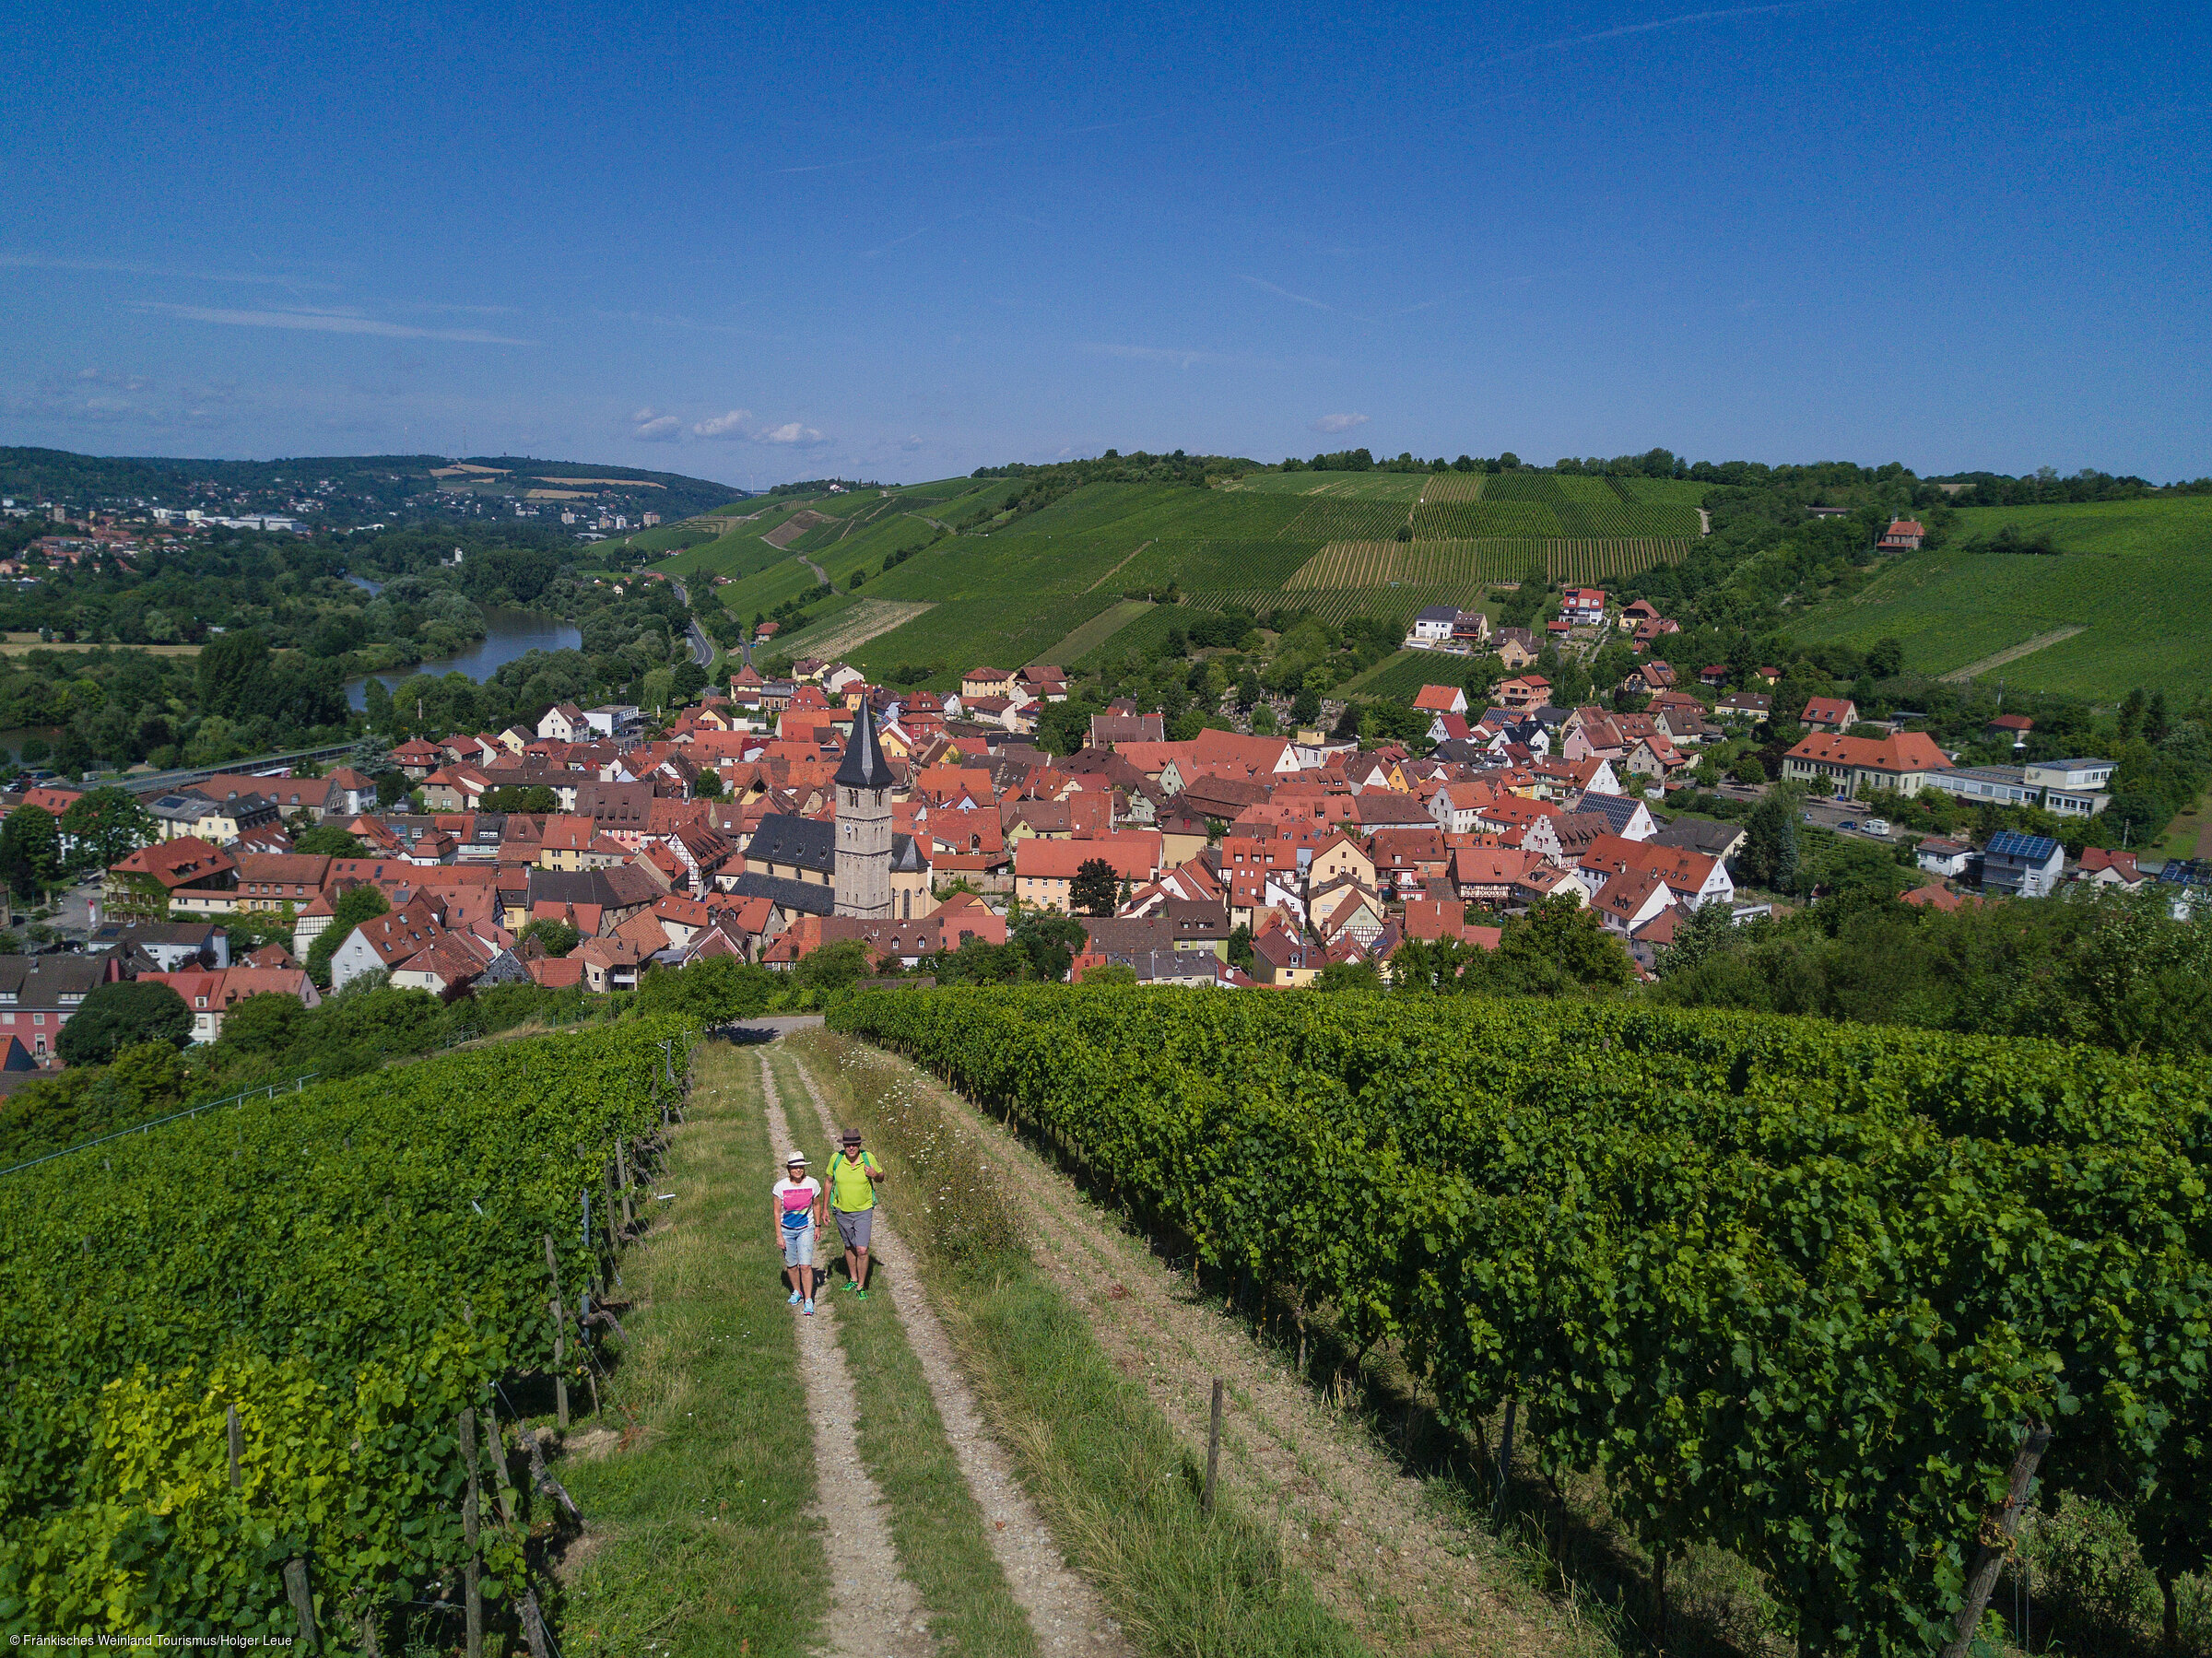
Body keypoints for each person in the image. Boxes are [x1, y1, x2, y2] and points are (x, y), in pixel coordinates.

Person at [825, 1127, 884, 1297]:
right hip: (841, 1210)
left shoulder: (868, 1158)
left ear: (859, 1144)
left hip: (863, 1210)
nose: (851, 1148)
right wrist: (825, 1210)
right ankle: (852, 1278)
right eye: (848, 1144)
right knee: (849, 1246)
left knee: (862, 1249)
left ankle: (861, 1286)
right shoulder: (836, 1159)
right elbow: (829, 1181)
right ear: (844, 1145)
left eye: (855, 1144)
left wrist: (875, 1175)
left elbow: (881, 1176)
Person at [772, 1151, 824, 1314]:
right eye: (795, 1167)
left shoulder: (812, 1184)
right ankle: (797, 1291)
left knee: (806, 1266)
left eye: (800, 1167)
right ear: (789, 1169)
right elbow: (776, 1212)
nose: (798, 1170)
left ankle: (809, 1300)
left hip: (805, 1229)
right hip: (787, 1230)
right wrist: (779, 1235)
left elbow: (816, 1205)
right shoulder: (780, 1187)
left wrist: (817, 1226)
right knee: (791, 1265)